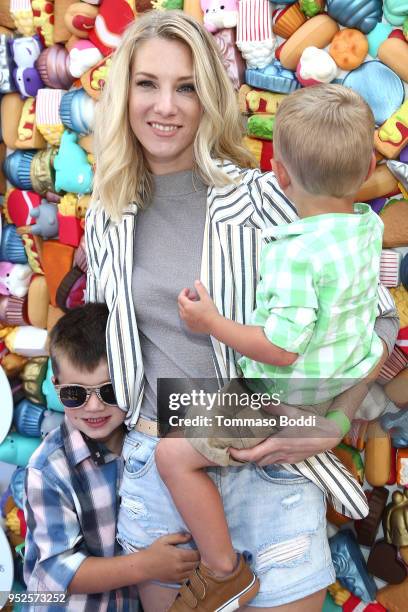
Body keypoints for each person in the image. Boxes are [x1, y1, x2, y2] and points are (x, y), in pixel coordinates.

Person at [85, 10, 399, 612]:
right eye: (148, 83)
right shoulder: (106, 214)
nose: (166, 107)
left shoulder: (260, 199)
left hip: (267, 469)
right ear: (123, 92)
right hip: (163, 469)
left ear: (209, 98)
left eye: (186, 87)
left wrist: (332, 422)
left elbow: (376, 315)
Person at [154, 85, 384, 610]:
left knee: (172, 454)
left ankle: (223, 571)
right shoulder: (367, 227)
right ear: (370, 163)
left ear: (278, 173)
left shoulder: (295, 251)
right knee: (176, 415)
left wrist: (210, 321)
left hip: (278, 394)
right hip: (340, 380)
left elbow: (280, 348)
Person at [23, 304, 199, 612]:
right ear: (56, 386)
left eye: (109, 391)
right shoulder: (48, 468)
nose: (93, 407)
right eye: (75, 395)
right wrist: (146, 566)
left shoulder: (149, 440)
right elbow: (55, 571)